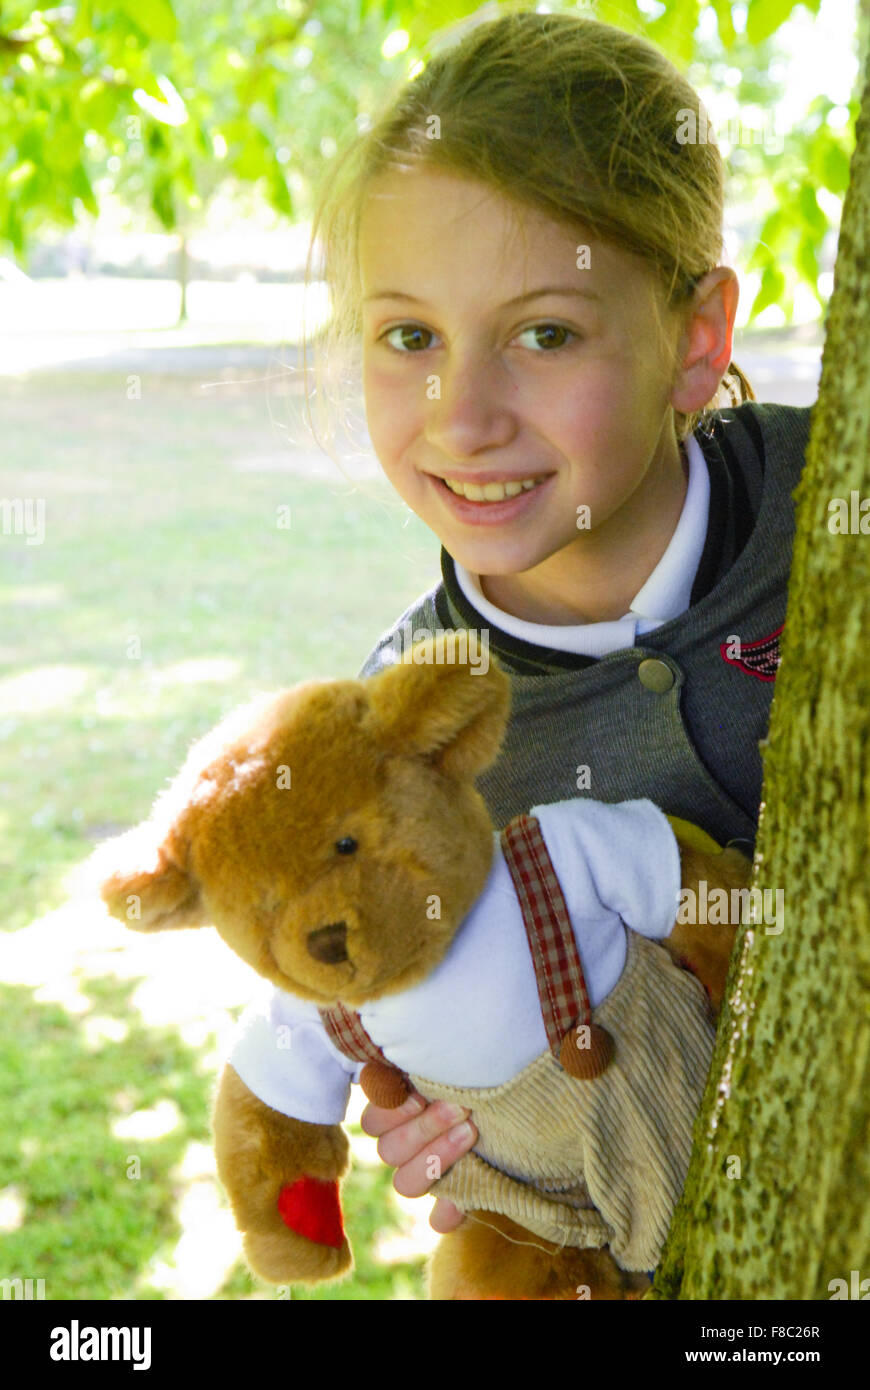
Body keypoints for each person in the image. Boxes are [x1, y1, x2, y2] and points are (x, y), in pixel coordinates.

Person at [300, 9, 813, 1247]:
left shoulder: (830, 503)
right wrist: (440, 1114)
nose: (460, 416)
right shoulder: (406, 747)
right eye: (409, 336)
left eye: (544, 333)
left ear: (694, 344)